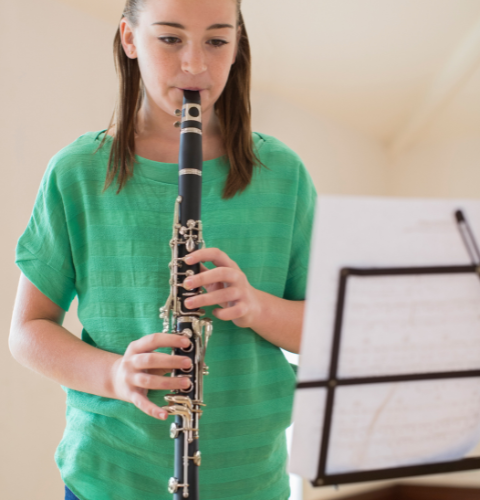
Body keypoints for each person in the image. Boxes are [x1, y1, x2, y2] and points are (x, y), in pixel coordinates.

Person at [9, 0, 316, 499]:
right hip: (109, 479)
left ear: (238, 44)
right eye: (170, 39)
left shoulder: (281, 173)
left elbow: (331, 331)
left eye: (217, 41)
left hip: (251, 483)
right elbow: (27, 331)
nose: (195, 64)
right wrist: (113, 374)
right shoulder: (78, 172)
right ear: (130, 39)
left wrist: (256, 306)